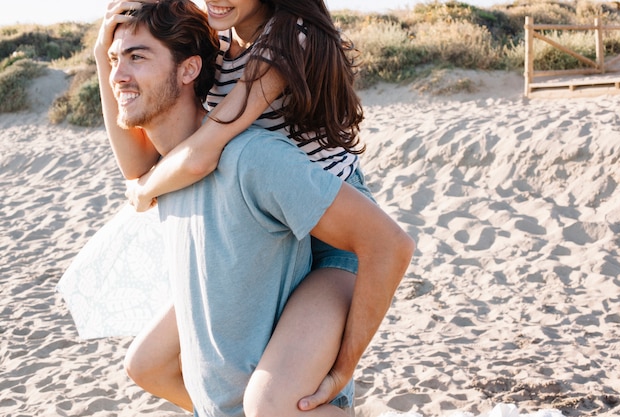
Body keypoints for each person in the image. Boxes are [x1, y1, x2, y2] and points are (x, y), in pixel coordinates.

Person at [100, 1, 414, 416]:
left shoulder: (290, 39)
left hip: (336, 236)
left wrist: (147, 189)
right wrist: (100, 59)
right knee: (148, 364)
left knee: (271, 403)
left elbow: (206, 148)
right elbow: (136, 163)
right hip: (272, 220)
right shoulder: (223, 42)